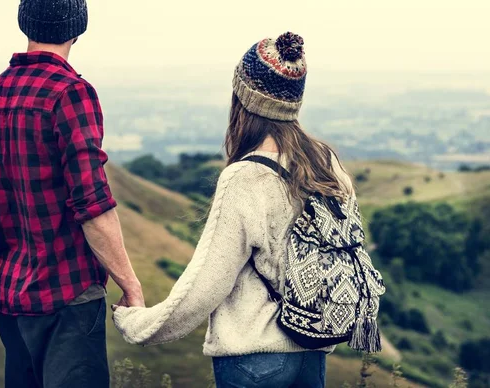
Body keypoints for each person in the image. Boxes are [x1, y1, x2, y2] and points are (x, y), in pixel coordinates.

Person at [114, 32, 355, 388]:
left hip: (254, 361)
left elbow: (205, 286)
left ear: (243, 99)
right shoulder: (326, 164)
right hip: (312, 352)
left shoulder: (245, 177)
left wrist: (138, 324)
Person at [0, 1, 144, 387]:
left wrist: (14, 270)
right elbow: (92, 204)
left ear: (25, 24)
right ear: (77, 29)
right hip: (67, 298)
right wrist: (130, 286)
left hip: (11, 301)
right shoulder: (71, 93)